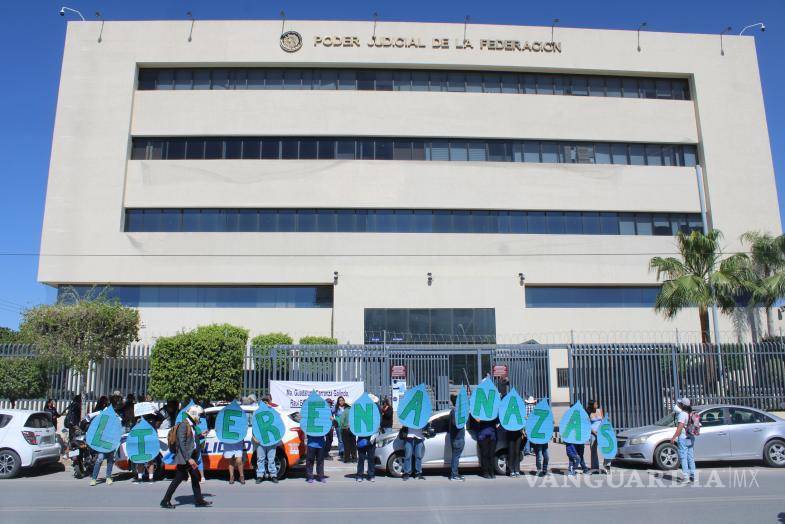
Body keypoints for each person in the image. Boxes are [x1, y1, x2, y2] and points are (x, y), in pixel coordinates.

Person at [160, 405, 212, 509]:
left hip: (190, 456)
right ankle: (165, 501)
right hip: (185, 458)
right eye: (199, 415)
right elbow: (181, 444)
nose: (200, 418)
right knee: (177, 479)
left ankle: (199, 500)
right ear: (194, 414)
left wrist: (201, 435)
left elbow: (191, 440)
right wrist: (189, 459)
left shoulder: (191, 425)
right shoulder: (184, 425)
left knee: (195, 477)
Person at [670, 397, 696, 483]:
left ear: (683, 405)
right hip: (690, 437)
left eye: (680, 403)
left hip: (683, 437)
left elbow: (680, 428)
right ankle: (693, 476)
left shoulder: (682, 414)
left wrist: (673, 437)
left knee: (683, 457)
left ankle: (686, 477)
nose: (678, 405)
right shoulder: (691, 413)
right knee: (690, 457)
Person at [254, 395, 279, 484]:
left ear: (269, 403)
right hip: (260, 439)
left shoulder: (273, 412)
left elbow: (279, 424)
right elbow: (254, 426)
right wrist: (254, 437)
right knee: (260, 459)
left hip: (271, 439)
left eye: (266, 402)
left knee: (271, 459)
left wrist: (271, 409)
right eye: (263, 402)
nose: (265, 404)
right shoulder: (256, 412)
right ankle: (260, 476)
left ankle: (273, 475)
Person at [471, 415, 498, 479]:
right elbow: (474, 424)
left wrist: (496, 423)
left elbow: (497, 422)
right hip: (482, 436)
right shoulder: (478, 414)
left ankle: (491, 472)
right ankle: (485, 472)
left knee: (491, 454)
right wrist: (477, 420)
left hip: (492, 436)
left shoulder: (493, 413)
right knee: (484, 454)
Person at [447, 393, 465, 481]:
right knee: (455, 458)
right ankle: (454, 475)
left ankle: (455, 473)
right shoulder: (455, 412)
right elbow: (455, 424)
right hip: (457, 439)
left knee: (456, 457)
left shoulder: (455, 411)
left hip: (457, 438)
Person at [588, 400, 604, 473]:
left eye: (597, 404)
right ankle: (595, 467)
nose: (597, 405)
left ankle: (607, 465)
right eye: (595, 404)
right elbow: (588, 425)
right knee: (593, 450)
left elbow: (602, 421)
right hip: (593, 433)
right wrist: (595, 433)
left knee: (605, 447)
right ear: (592, 405)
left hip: (601, 432)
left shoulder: (599, 410)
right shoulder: (589, 413)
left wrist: (602, 431)